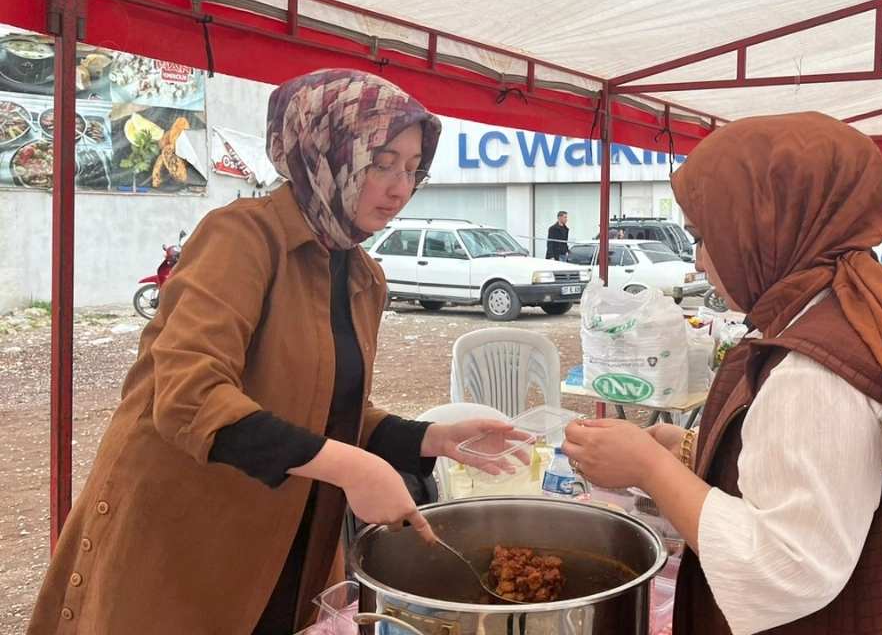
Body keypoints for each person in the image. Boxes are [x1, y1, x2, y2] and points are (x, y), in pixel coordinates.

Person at [27, 70, 522, 634]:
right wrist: (353, 466)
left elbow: (320, 411)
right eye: (381, 162)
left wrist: (424, 438)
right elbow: (188, 399)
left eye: (412, 170)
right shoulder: (242, 237)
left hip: (292, 541)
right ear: (324, 151)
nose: (399, 188)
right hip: (185, 541)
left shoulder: (362, 274)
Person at [563, 112, 882, 634]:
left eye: (704, 235)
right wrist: (697, 451)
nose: (700, 262)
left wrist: (652, 467)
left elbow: (783, 565)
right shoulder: (862, 300)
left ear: (766, 227)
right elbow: (839, 470)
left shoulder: (814, 369)